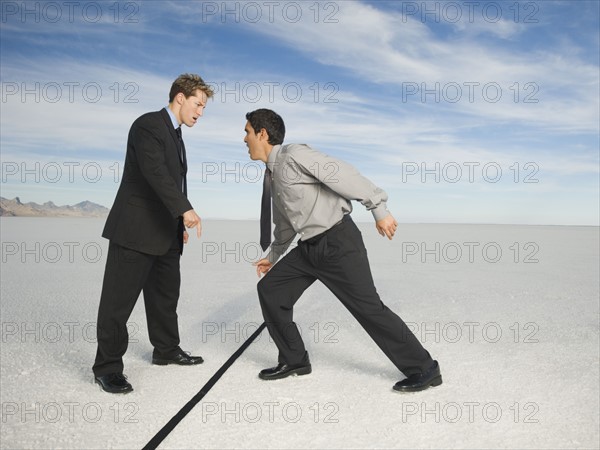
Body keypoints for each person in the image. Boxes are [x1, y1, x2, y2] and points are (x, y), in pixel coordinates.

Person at [243, 108, 442, 392]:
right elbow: (286, 223)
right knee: (271, 290)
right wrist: (273, 257)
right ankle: (295, 359)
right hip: (309, 248)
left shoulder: (294, 155)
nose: (244, 138)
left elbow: (343, 174)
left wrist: (378, 208)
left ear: (262, 134)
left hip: (338, 243)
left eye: (247, 132)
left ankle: (425, 368)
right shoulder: (273, 176)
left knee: (369, 309)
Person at [93, 74, 214, 394]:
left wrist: (176, 223)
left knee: (164, 299)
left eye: (204, 107)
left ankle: (166, 350)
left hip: (165, 233)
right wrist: (185, 210)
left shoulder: (176, 135)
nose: (201, 112)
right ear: (180, 97)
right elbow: (155, 173)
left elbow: (171, 183)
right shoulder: (148, 125)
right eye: (198, 104)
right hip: (135, 231)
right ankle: (107, 367)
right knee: (117, 305)